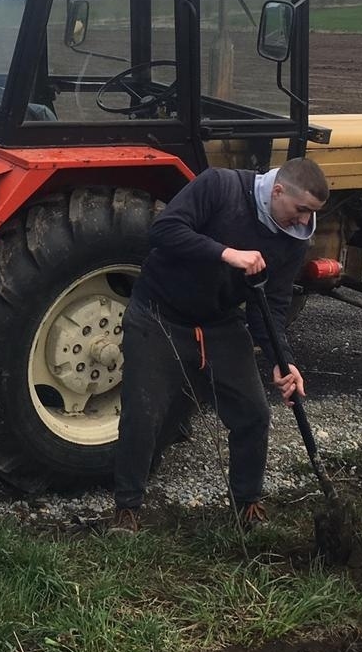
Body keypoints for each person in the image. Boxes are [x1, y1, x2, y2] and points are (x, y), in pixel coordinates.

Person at [112, 156, 326, 533]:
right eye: (301, 209)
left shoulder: (293, 240)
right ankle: (126, 510)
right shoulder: (220, 187)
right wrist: (226, 253)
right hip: (158, 313)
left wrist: (283, 360)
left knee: (254, 413)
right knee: (143, 414)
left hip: (219, 322)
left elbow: (271, 305)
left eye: (311, 213)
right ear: (278, 191)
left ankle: (248, 506)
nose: (304, 220)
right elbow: (164, 230)